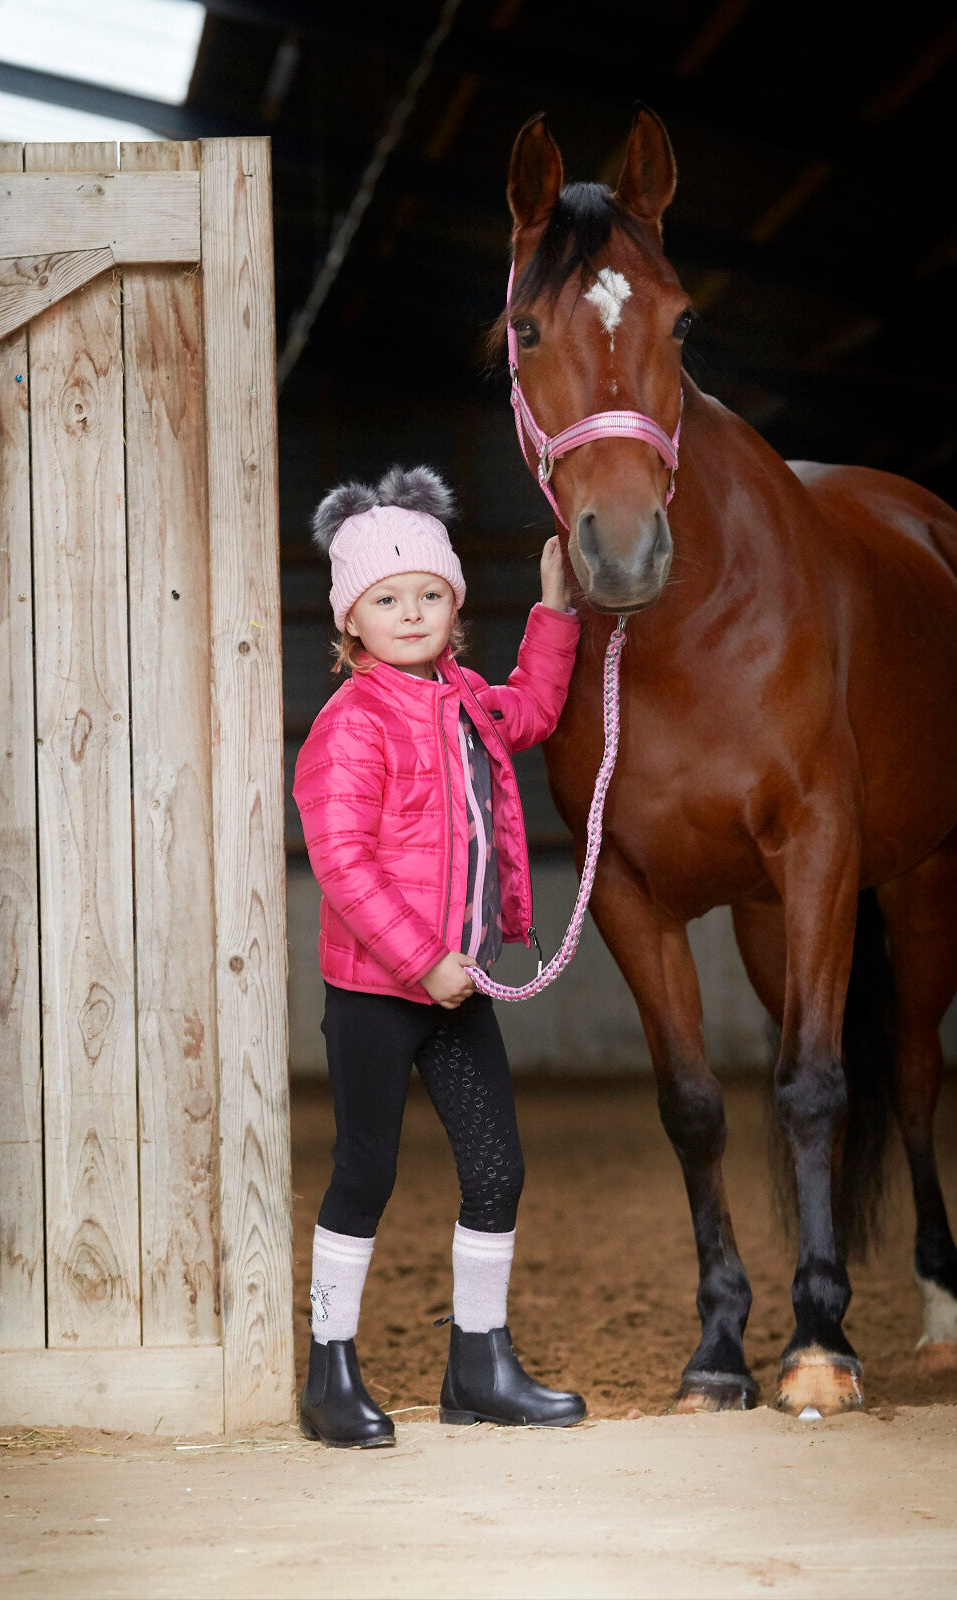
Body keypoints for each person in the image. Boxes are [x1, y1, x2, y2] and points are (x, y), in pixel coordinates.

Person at [292, 465, 587, 1447]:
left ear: (453, 608)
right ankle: (329, 1369)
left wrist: (552, 612)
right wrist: (422, 960)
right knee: (363, 1174)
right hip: (380, 993)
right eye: (386, 599)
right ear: (352, 624)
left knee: (496, 1169)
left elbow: (533, 711)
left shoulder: (466, 705)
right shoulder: (349, 724)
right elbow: (339, 856)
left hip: (456, 992)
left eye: (429, 594)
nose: (410, 611)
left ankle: (479, 1360)